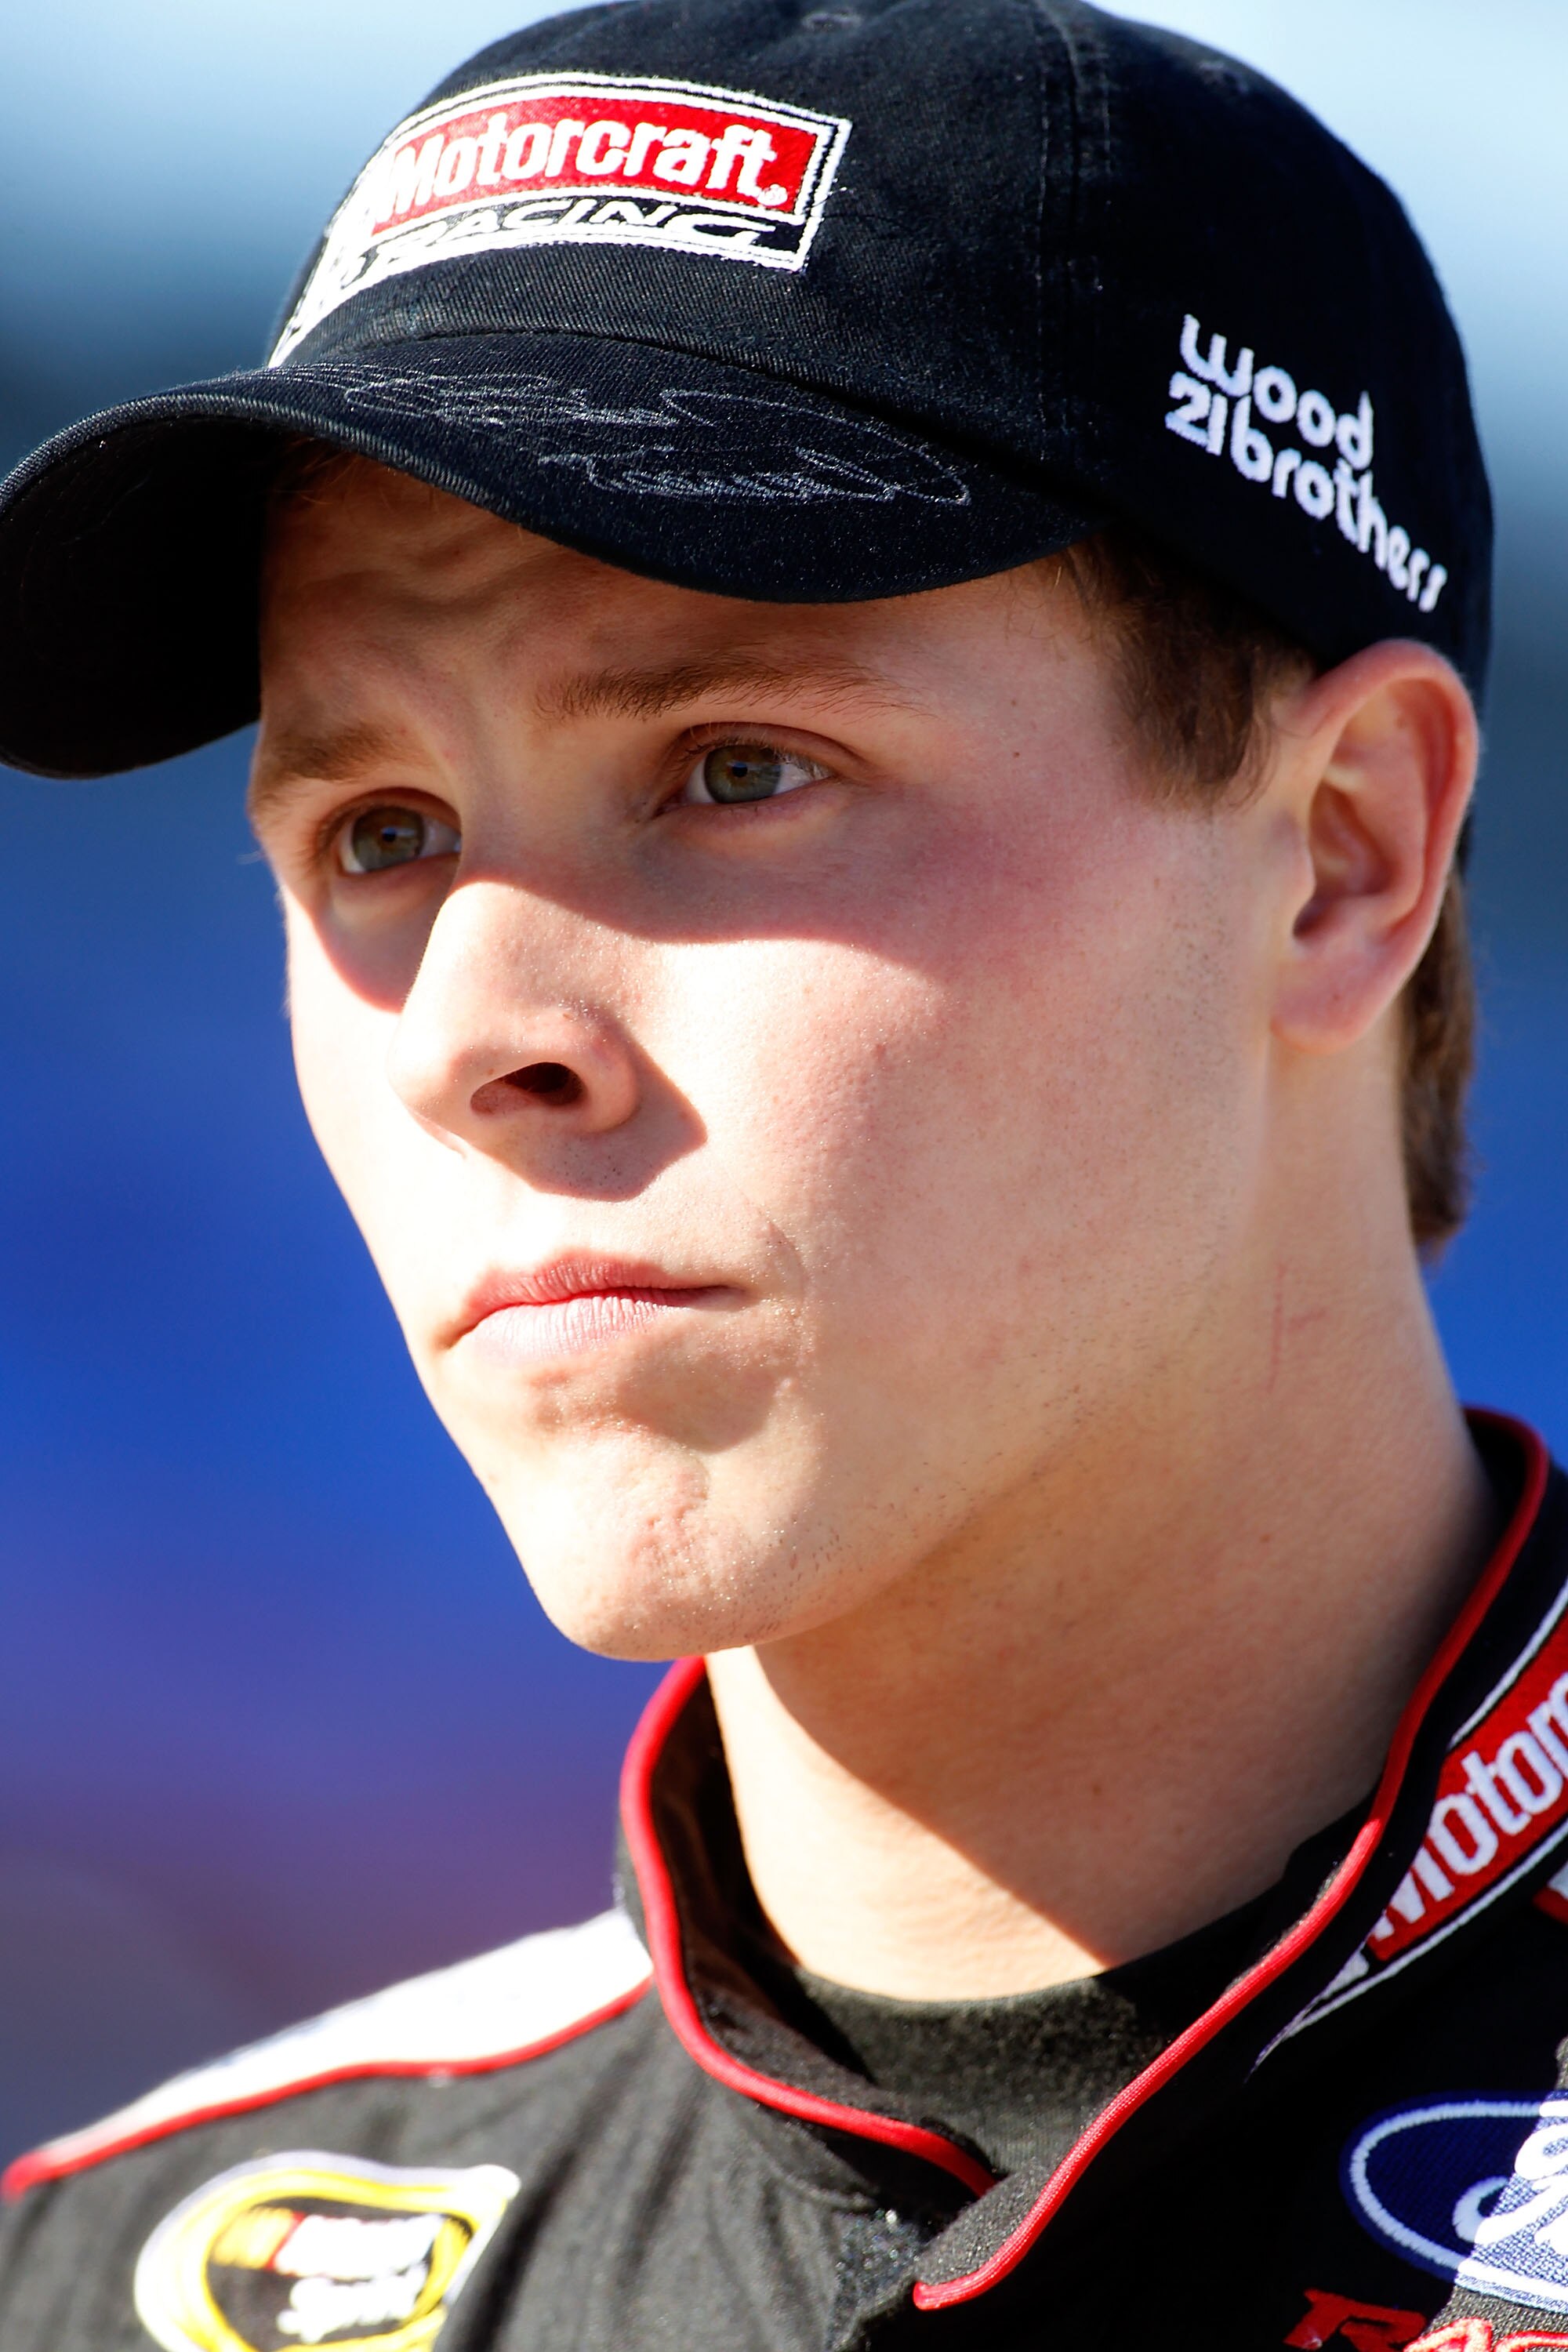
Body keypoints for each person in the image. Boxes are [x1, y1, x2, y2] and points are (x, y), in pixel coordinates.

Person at [0, 1, 1563, 2345]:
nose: (474, 1030)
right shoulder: (122, 2280)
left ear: (1341, 859)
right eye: (378, 833)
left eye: (734, 767)